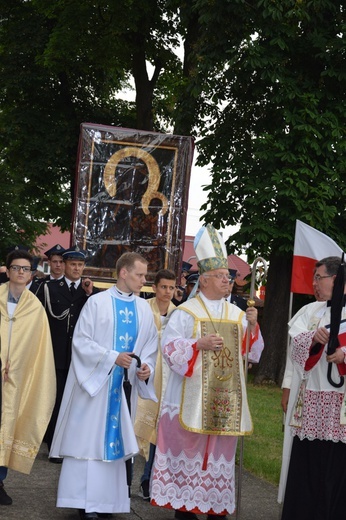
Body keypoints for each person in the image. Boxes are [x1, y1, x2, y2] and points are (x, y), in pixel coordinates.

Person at [150, 224, 264, 519]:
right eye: (222, 277)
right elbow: (171, 349)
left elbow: (251, 354)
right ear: (204, 281)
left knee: (217, 465)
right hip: (189, 398)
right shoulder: (186, 313)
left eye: (229, 277)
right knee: (188, 462)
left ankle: (216, 510)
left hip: (223, 400)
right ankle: (184, 511)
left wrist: (252, 326)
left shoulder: (237, 315)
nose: (228, 281)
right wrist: (197, 344)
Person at [49, 252, 158, 519]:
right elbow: (82, 342)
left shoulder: (144, 308)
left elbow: (150, 346)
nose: (143, 280)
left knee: (115, 445)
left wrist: (146, 368)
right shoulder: (97, 303)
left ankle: (108, 504)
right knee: (89, 444)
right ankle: (84, 502)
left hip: (122, 389)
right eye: (139, 275)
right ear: (123, 273)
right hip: (95, 387)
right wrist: (112, 358)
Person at [279, 256, 346, 519]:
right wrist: (314, 340)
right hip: (311, 403)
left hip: (340, 407)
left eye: (319, 277)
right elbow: (294, 348)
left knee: (336, 471)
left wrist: (343, 356)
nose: (314, 283)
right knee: (308, 469)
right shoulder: (311, 312)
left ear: (338, 280)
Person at [0, 249, 56, 506]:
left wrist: (18, 365)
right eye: (16, 267)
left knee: (10, 424)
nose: (20, 272)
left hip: (17, 379)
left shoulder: (35, 307)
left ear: (31, 273)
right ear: (7, 270)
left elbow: (39, 347)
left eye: (25, 269)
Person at [36, 245, 97, 452]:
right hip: (55, 353)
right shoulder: (49, 288)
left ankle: (71, 442)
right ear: (65, 265)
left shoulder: (90, 292)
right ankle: (54, 443)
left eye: (80, 265)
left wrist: (90, 293)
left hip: (80, 357)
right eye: (73, 264)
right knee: (55, 398)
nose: (77, 268)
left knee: (75, 401)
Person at [135, 268, 177, 501]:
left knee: (158, 431)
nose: (167, 292)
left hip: (168, 378)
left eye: (171, 288)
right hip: (144, 374)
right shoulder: (143, 308)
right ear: (154, 287)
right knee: (137, 424)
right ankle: (124, 478)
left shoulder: (179, 313)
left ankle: (148, 479)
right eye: (163, 287)